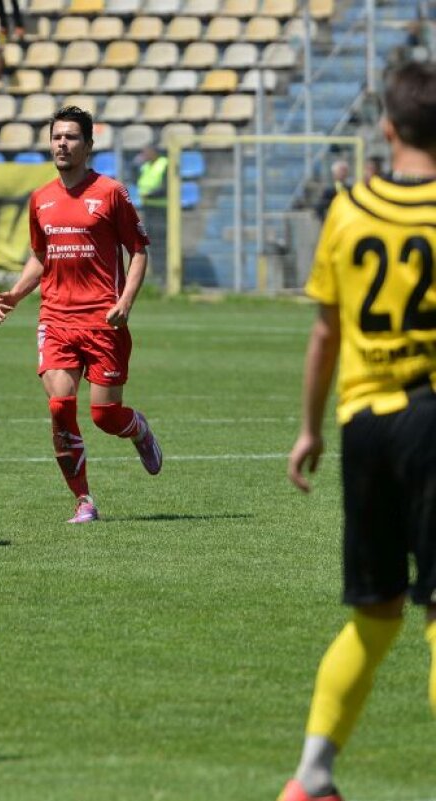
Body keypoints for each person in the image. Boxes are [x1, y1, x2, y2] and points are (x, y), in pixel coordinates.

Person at [279, 61, 436, 801]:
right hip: (432, 420)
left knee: (375, 614)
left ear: (387, 126)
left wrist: (309, 429)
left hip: (364, 426)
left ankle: (311, 775)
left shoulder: (348, 209)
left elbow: (323, 333)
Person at [0, 106, 163, 524]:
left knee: (104, 415)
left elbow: (138, 251)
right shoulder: (41, 199)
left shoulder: (110, 193)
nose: (62, 144)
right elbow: (41, 256)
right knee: (59, 406)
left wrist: (125, 302)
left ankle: (137, 429)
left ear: (88, 145)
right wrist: (17, 293)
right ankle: (83, 501)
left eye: (71, 137)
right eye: (56, 137)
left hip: (103, 321)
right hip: (55, 319)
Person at [134, 145, 167, 281]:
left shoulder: (165, 164)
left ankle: (165, 275)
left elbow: (167, 187)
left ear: (155, 152)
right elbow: (138, 181)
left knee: (162, 244)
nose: (145, 155)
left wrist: (150, 195)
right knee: (151, 243)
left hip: (163, 210)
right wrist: (134, 165)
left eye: (147, 152)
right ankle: (158, 273)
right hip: (149, 209)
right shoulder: (145, 166)